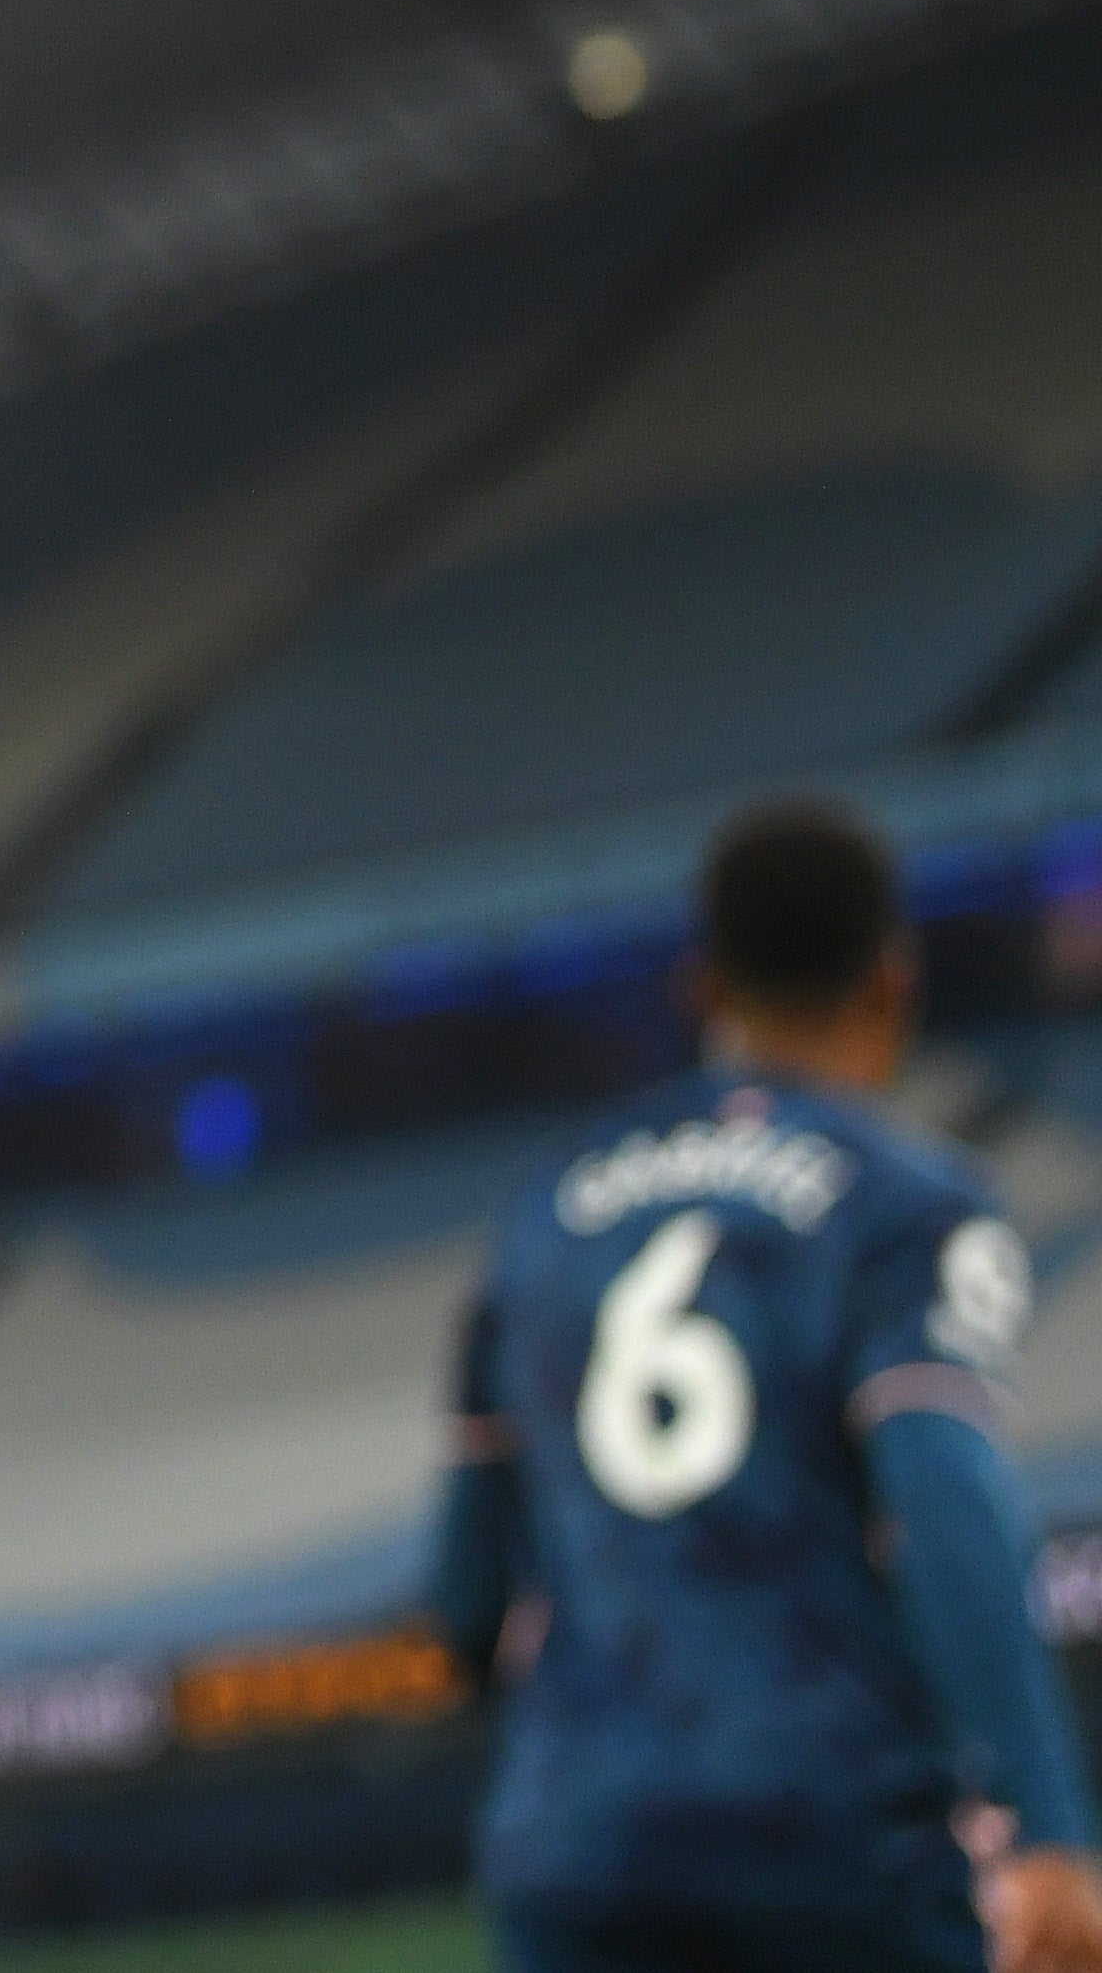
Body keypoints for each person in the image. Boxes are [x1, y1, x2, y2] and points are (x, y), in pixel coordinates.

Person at [438, 795, 1102, 1972]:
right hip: (835, 1838)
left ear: (704, 987)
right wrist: (1049, 1825)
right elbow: (946, 1504)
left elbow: (464, 1602)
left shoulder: (539, 1219)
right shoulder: (908, 1205)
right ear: (895, 981)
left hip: (581, 1848)